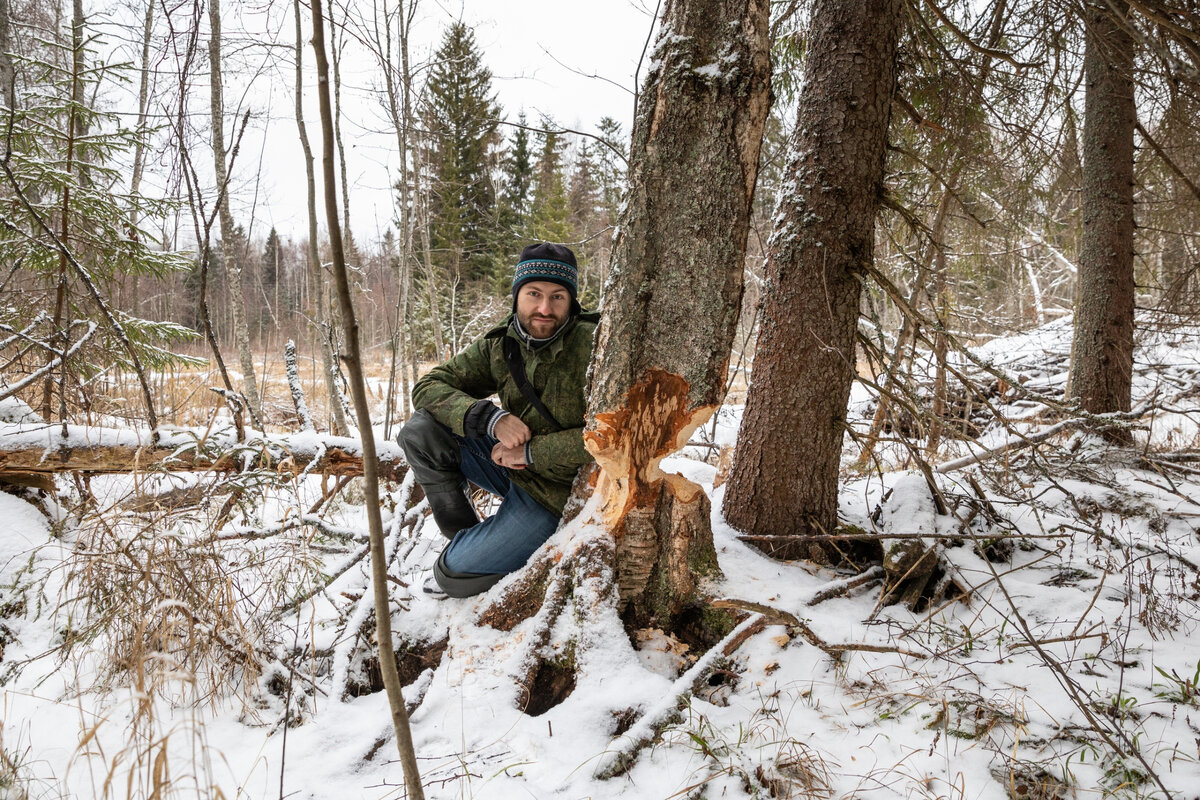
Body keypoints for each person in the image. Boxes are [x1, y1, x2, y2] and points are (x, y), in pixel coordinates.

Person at [397, 243, 599, 597]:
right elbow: (429, 386)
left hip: (557, 494)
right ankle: (467, 537)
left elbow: (617, 432)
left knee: (451, 575)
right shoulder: (501, 344)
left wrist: (533, 452)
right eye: (533, 294)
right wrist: (488, 418)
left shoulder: (595, 343)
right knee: (421, 432)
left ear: (572, 302)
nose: (544, 308)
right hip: (511, 465)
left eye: (557, 297)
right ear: (517, 296)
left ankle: (481, 549)